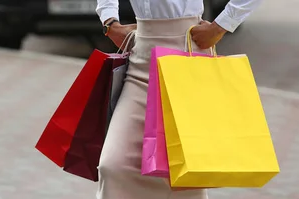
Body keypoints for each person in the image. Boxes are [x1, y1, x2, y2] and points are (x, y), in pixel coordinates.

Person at [95, 0, 263, 198]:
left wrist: (222, 25)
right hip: (141, 57)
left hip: (187, 53)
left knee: (183, 175)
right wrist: (109, 22)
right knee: (112, 165)